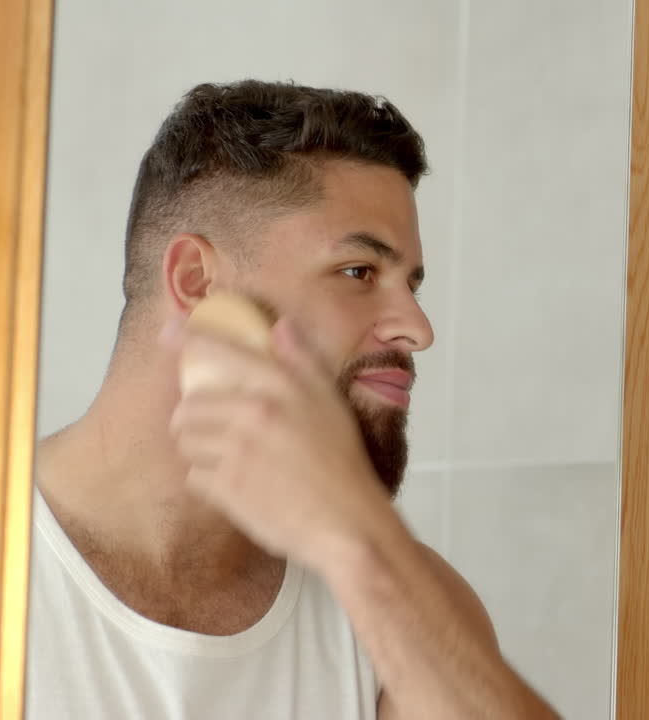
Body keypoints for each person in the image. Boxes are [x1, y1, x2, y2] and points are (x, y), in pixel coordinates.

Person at [29, 80, 558, 719]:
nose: (418, 328)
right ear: (197, 283)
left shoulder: (400, 611)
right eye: (360, 272)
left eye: (411, 284)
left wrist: (358, 541)